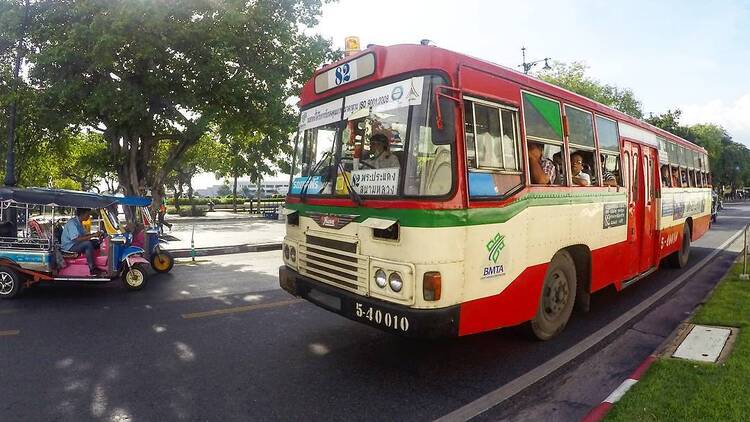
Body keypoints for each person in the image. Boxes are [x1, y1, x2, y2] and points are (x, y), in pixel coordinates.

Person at [61, 208, 103, 275]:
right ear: (83, 214)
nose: (89, 216)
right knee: (88, 244)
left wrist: (95, 235)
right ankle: (92, 269)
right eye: (88, 215)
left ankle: (98, 263)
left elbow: (84, 235)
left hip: (76, 244)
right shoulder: (72, 223)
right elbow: (77, 239)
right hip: (69, 247)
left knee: (95, 242)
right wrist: (93, 235)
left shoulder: (79, 223)